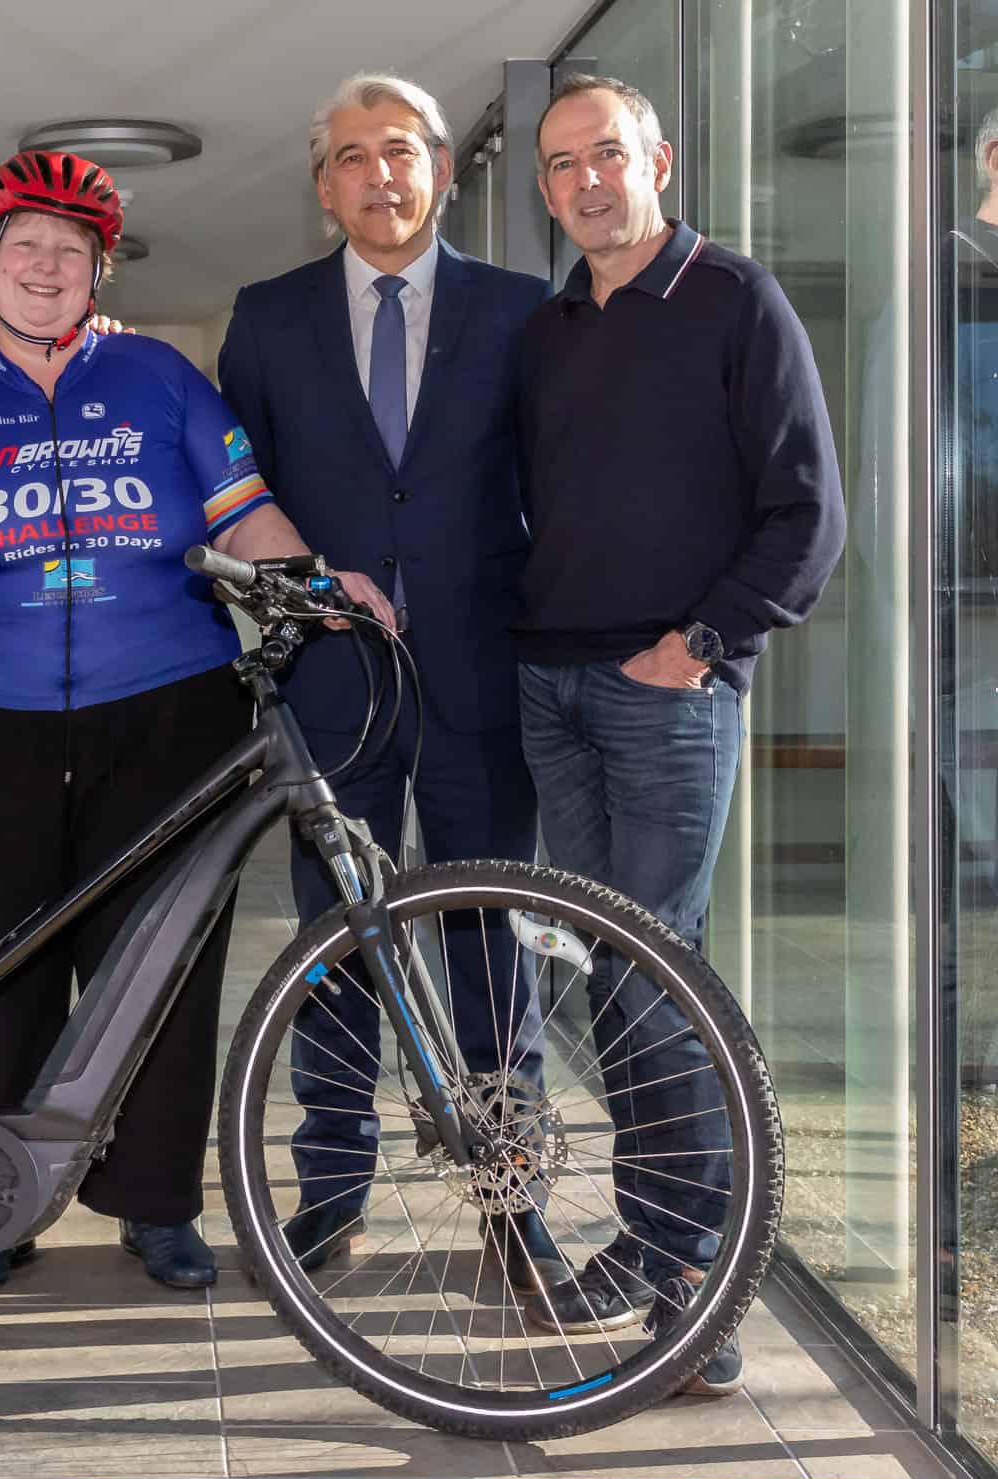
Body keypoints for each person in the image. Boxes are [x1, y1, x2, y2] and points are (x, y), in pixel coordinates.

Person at [0, 148, 393, 1298]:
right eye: (25, 248)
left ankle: (156, 1203)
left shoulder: (161, 379)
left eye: (71, 250)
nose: (46, 267)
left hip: (165, 706)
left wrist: (315, 579)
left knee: (160, 962)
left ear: (100, 271)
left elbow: (244, 513)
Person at [515, 74, 846, 1392]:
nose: (586, 181)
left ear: (656, 161)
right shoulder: (551, 331)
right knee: (614, 979)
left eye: (606, 154)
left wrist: (699, 643)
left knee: (656, 976)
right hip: (555, 688)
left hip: (666, 691)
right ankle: (654, 1239)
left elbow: (807, 511)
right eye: (561, 165)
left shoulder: (734, 298)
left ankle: (696, 1277)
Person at [217, 73, 557, 1288]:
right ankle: (332, 1186)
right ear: (324, 187)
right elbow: (237, 494)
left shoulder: (522, 311)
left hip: (480, 671)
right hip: (333, 679)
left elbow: (556, 483)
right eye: (353, 157)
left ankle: (511, 1192)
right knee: (336, 931)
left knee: (489, 931)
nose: (380, 174)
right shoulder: (267, 318)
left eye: (401, 150)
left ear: (443, 171)